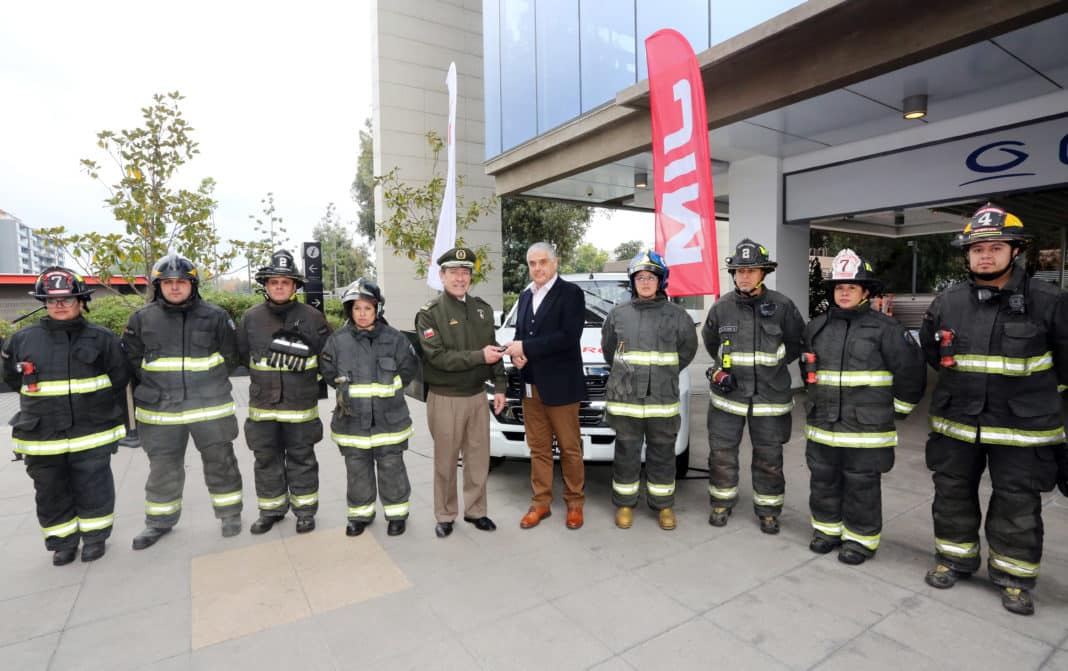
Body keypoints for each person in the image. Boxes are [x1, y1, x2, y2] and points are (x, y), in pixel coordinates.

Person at [920, 203, 1068, 616]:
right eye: (976, 248)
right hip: (957, 422)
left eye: (995, 247)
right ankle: (954, 559)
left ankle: (1014, 578)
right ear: (967, 254)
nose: (984, 255)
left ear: (1015, 251)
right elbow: (933, 352)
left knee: (1017, 502)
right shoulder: (947, 302)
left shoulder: (1049, 301)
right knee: (951, 494)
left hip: (1021, 430)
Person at [802, 249, 925, 565]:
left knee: (861, 485)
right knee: (823, 480)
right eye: (839, 288)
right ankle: (826, 531)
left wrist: (897, 409)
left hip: (866, 429)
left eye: (851, 288)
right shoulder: (817, 327)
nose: (844, 293)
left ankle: (859, 540)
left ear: (865, 292)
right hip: (823, 425)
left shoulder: (886, 329)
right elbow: (810, 372)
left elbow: (911, 372)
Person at [1, 267, 130, 565]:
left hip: (91, 430)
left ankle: (96, 538)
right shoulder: (22, 340)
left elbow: (119, 377)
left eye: (67, 299)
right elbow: (11, 379)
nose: (59, 305)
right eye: (52, 300)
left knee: (94, 486)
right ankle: (63, 543)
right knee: (50, 492)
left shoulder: (102, 339)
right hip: (42, 436)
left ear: (81, 300)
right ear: (44, 303)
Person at [123, 254, 244, 550]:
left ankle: (229, 514)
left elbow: (231, 357)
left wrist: (208, 383)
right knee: (163, 469)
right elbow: (132, 360)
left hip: (209, 408)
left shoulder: (215, 316)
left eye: (181, 282)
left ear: (193, 284)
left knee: (221, 463)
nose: (175, 288)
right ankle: (159, 522)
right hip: (161, 412)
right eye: (168, 283)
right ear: (158, 286)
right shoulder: (141, 319)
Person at [702, 238, 804, 534]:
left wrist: (773, 364)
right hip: (727, 399)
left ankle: (769, 511)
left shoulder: (783, 306)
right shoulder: (721, 307)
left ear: (763, 273)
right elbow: (712, 344)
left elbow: (797, 342)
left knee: (769, 458)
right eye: (739, 271)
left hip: (770, 399)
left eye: (751, 270)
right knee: (721, 453)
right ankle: (721, 504)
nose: (744, 276)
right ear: (733, 274)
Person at [601, 250, 697, 530]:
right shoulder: (618, 315)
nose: (645, 282)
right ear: (633, 282)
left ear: (660, 281)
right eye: (640, 277)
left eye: (650, 277)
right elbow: (610, 350)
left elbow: (687, 351)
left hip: (662, 400)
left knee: (663, 454)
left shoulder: (677, 316)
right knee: (626, 453)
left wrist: (664, 374)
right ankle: (624, 505)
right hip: (627, 401)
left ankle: (663, 506)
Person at [236, 250, 331, 535]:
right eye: (274, 281)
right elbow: (243, 356)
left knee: (302, 459)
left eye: (285, 282)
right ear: (265, 285)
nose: (279, 286)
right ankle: (272, 510)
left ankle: (304, 512)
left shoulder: (313, 318)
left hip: (300, 407)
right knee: (266, 459)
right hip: (263, 408)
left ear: (295, 286)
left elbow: (327, 359)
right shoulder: (250, 318)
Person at [416, 247, 506, 538]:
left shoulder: (481, 309)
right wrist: (480, 357)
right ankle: (445, 514)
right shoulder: (430, 314)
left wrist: (500, 385)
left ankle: (476, 511)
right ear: (442, 276)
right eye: (453, 272)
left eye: (465, 272)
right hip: (446, 398)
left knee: (478, 459)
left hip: (477, 396)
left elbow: (494, 349)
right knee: (445, 460)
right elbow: (438, 358)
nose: (460, 278)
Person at [321, 279, 419, 537]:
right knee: (357, 470)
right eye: (356, 308)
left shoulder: (395, 339)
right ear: (349, 311)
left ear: (378, 309)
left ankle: (397, 515)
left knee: (391, 469)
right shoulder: (337, 341)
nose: (362, 314)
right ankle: (360, 515)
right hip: (352, 421)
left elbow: (408, 370)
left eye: (367, 308)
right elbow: (329, 371)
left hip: (389, 420)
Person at [503, 242, 587, 530]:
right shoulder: (526, 296)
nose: (537, 268)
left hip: (562, 388)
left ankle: (575, 502)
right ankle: (541, 503)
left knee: (569, 448)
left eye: (543, 262)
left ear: (555, 262)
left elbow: (568, 337)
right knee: (538, 448)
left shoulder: (571, 294)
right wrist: (519, 355)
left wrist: (525, 345)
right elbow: (520, 333)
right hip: (530, 387)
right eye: (533, 264)